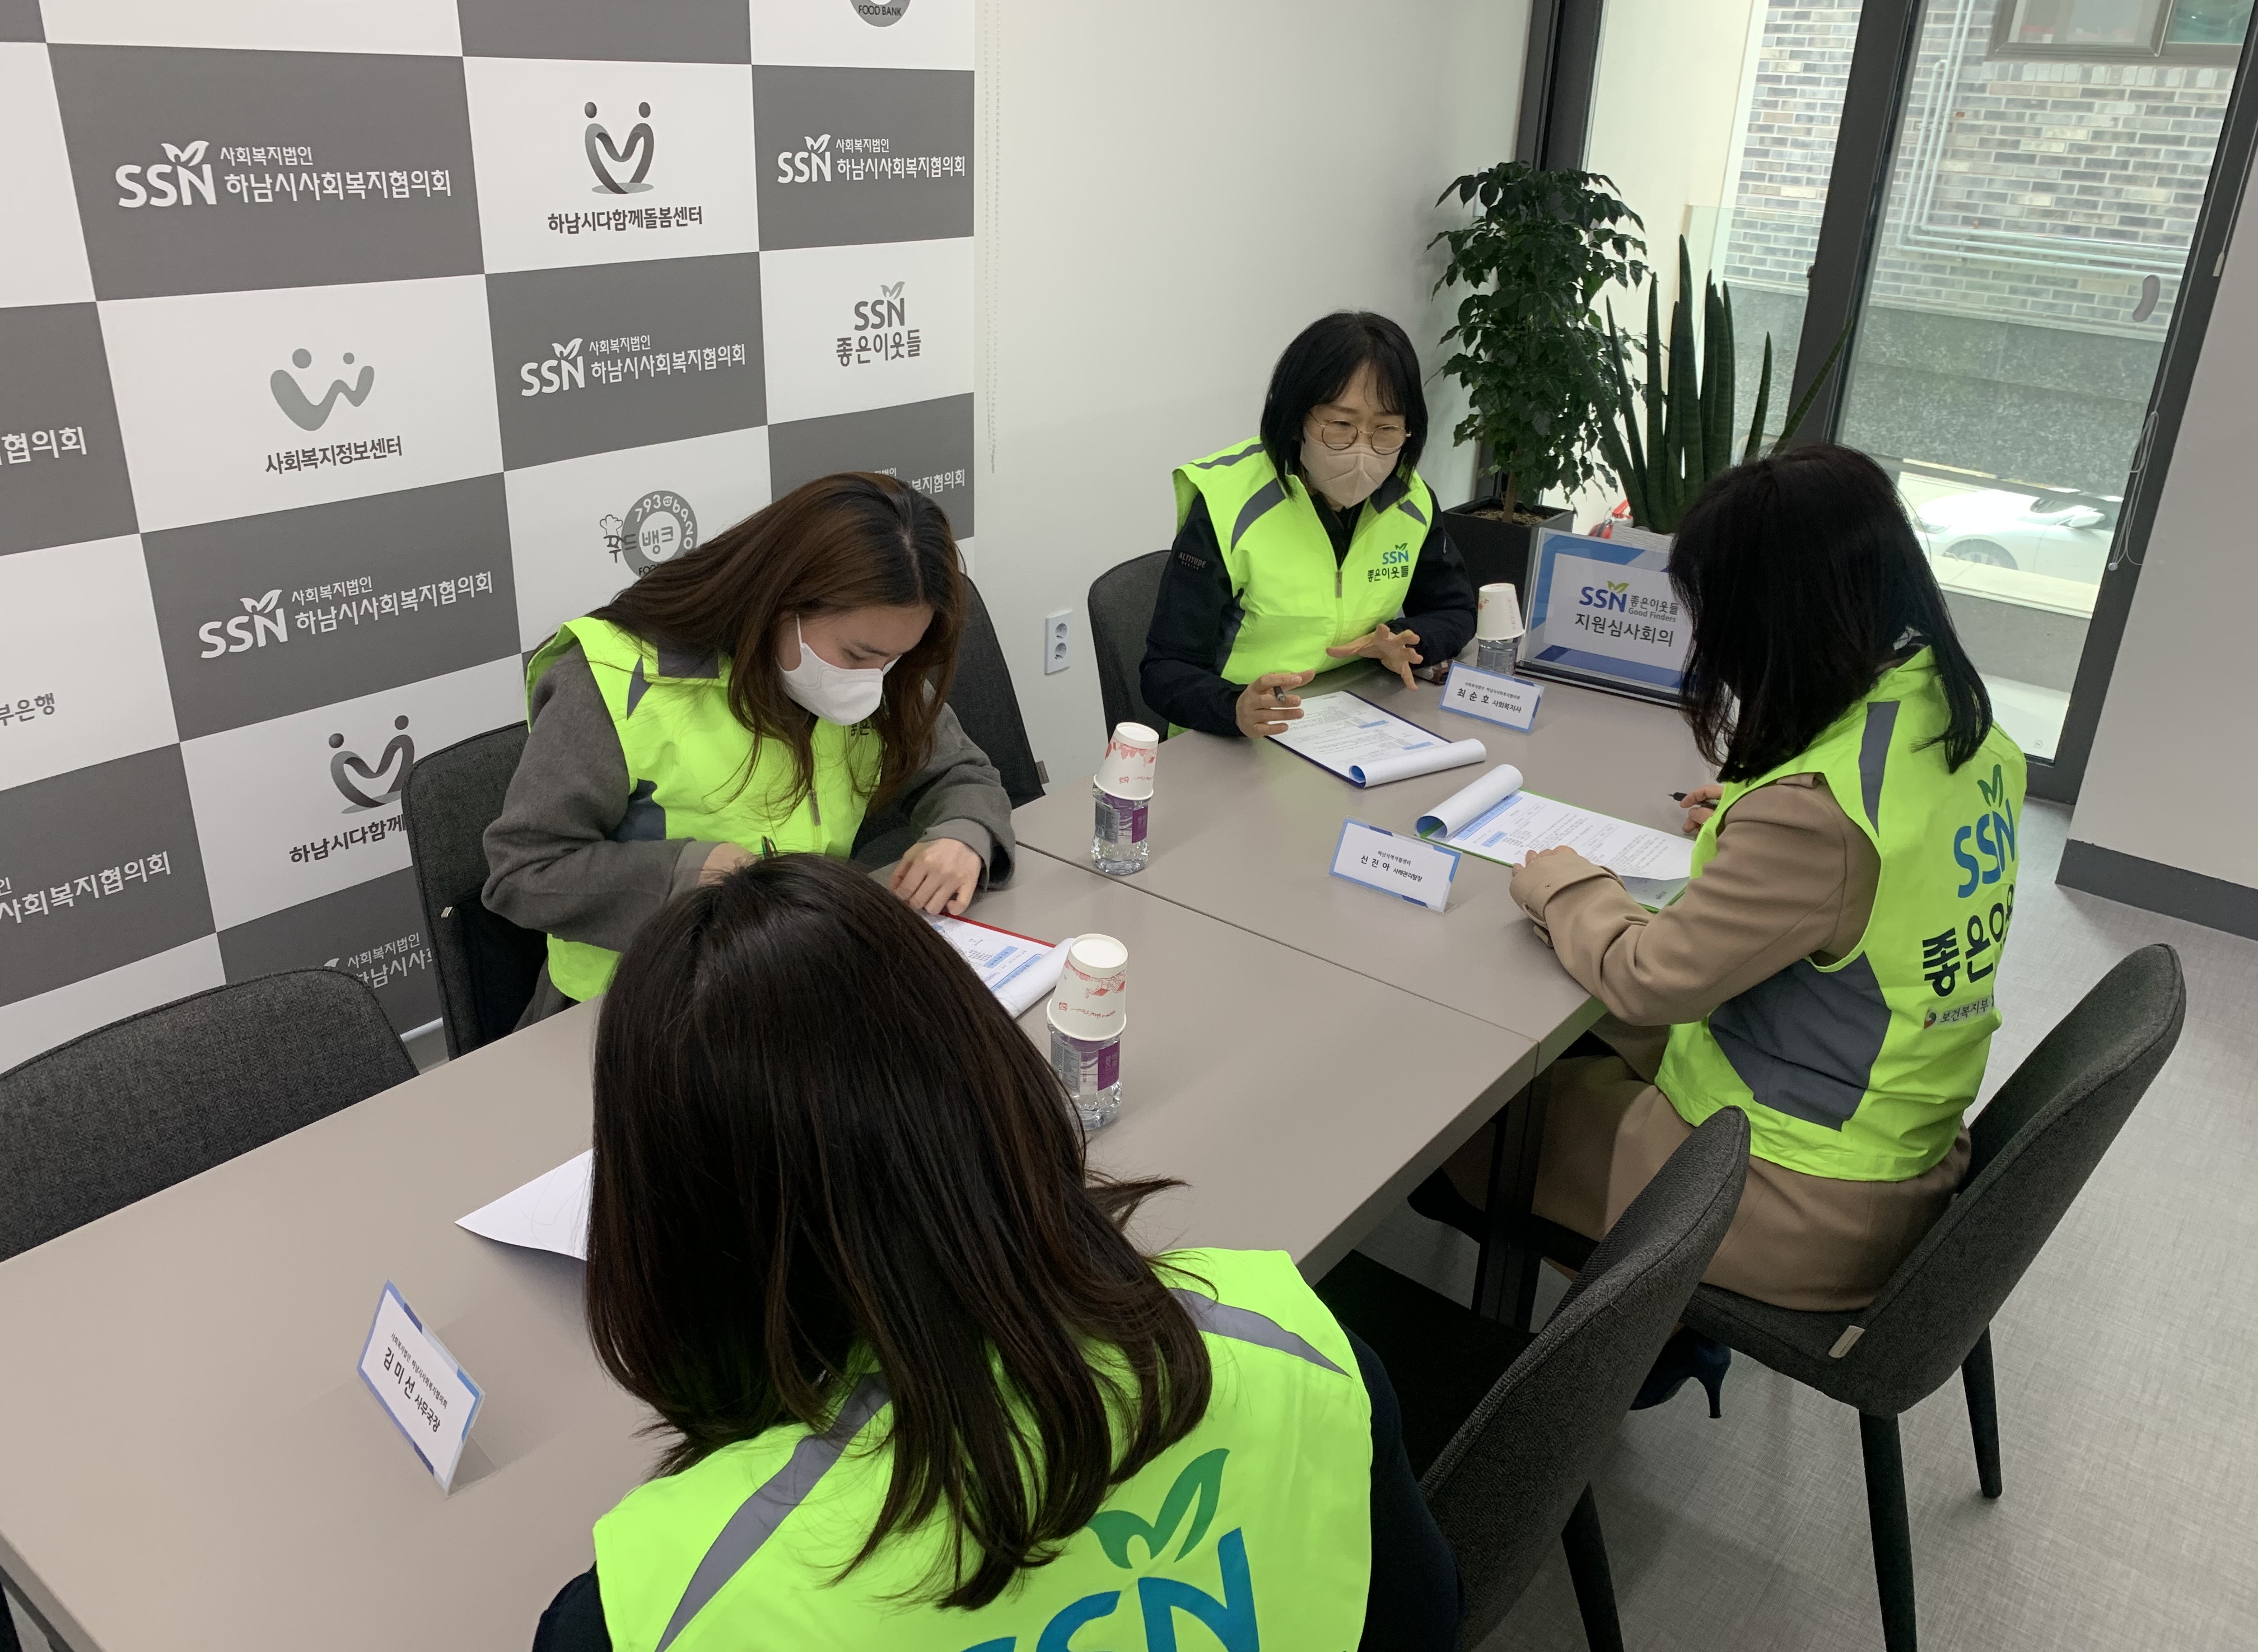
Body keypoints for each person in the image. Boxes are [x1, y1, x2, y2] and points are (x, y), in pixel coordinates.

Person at [528, 854, 1461, 1652]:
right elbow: (1421, 1621)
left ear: (660, 1226)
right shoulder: (1301, 1351)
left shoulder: (658, 1610)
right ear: (992, 1085)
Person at [1447, 445, 2026, 1412]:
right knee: (1572, 1051)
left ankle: (1612, 1352)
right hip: (1888, 1132)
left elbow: (1647, 974)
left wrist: (1562, 882)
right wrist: (1753, 819)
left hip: (1800, 1193)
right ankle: (1647, 1310)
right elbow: (1868, 875)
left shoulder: (1818, 815)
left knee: (1475, 1123)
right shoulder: (1954, 719)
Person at [484, 473, 1016, 1026]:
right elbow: (524, 870)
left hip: (797, 976)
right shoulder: (611, 682)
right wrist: (690, 877)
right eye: (858, 656)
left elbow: (961, 774)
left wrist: (964, 836)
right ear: (781, 601)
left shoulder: (879, 676)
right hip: (636, 1010)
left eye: (894, 659)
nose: (872, 681)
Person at [1141, 311, 1476, 739]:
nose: (1363, 451)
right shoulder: (1229, 502)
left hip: (1355, 723)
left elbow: (1456, 610)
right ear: (1298, 418)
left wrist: (1406, 639)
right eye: (1341, 425)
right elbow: (1164, 670)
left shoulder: (1410, 500)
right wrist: (1235, 707)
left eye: (1386, 429)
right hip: (1232, 738)